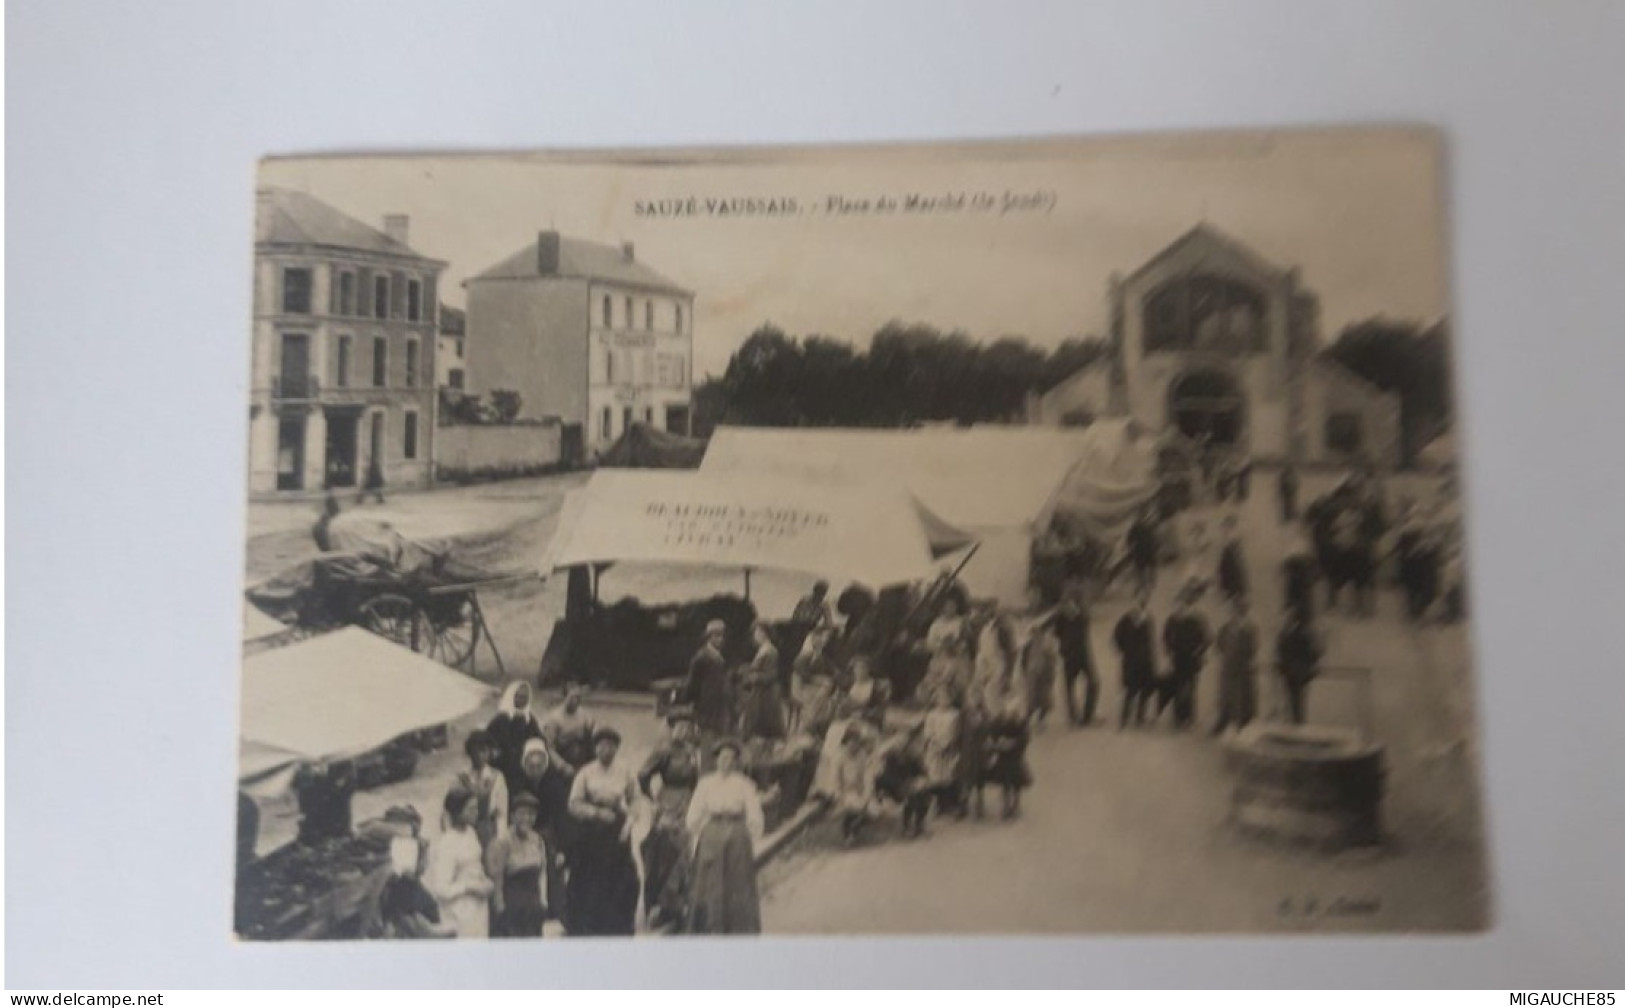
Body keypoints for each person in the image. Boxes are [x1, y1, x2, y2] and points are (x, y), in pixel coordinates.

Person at [565, 727, 642, 936]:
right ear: (595, 748)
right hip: (591, 831)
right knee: (588, 877)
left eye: (610, 746)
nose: (605, 750)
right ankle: (586, 926)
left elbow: (636, 800)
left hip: (617, 829)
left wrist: (629, 824)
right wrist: (596, 813)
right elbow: (573, 804)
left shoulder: (626, 771)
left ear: (616, 749)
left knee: (622, 878)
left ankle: (616, 925)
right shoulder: (586, 772)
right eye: (601, 746)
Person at [686, 738, 766, 934]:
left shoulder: (744, 784)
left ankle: (739, 928)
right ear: (716, 760)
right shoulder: (706, 783)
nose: (726, 762)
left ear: (736, 762)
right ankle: (708, 928)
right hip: (712, 831)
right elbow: (695, 812)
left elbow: (754, 811)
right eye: (723, 757)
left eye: (731, 758)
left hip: (737, 832)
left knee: (737, 883)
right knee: (709, 882)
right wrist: (699, 832)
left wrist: (751, 833)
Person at [637, 708, 705, 931]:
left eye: (688, 727)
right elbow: (643, 774)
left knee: (684, 853)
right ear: (672, 728)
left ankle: (676, 905)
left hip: (687, 802)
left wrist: (696, 801)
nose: (683, 731)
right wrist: (653, 800)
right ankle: (657, 904)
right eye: (679, 726)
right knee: (662, 851)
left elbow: (696, 780)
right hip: (667, 802)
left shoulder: (692, 752)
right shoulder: (663, 750)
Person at [423, 788, 495, 938]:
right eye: (470, 809)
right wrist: (469, 887)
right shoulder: (447, 843)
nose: (476, 812)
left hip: (478, 908)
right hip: (458, 911)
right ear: (457, 812)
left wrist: (485, 881)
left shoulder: (470, 833)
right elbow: (441, 889)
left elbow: (475, 868)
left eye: (476, 808)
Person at [484, 792, 550, 938]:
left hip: (533, 903)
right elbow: (496, 876)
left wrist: (543, 900)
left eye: (531, 814)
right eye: (522, 814)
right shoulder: (502, 842)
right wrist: (499, 906)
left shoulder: (537, 839)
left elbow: (542, 872)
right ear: (513, 816)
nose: (527, 819)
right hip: (512, 904)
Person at [375, 834, 451, 939]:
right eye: (425, 858)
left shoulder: (394, 885)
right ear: (416, 859)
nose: (427, 862)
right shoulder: (410, 890)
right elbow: (420, 926)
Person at [1161, 583, 1211, 730]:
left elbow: (1207, 638)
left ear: (1188, 604)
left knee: (1191, 688)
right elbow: (1165, 637)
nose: (1179, 607)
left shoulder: (1198, 619)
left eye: (1182, 604)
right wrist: (1169, 650)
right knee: (1177, 687)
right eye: (1177, 604)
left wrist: (1199, 651)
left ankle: (1189, 717)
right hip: (1178, 658)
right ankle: (1178, 718)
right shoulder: (1172, 620)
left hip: (1192, 659)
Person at [1050, 586, 1100, 727]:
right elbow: (1056, 633)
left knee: (1094, 683)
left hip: (1083, 656)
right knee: (1069, 688)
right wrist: (1062, 649)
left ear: (1075, 605)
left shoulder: (1082, 618)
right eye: (1065, 605)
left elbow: (1080, 634)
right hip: (1069, 657)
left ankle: (1086, 716)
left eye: (1070, 604)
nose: (1068, 608)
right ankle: (1073, 716)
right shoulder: (1060, 619)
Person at [453, 729, 508, 851]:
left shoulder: (496, 776)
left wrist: (500, 839)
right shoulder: (462, 776)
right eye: (475, 751)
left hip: (488, 830)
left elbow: (501, 812)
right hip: (466, 830)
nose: (479, 755)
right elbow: (451, 807)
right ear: (469, 752)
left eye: (483, 750)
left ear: (489, 752)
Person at [1212, 595, 1259, 735]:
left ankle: (1242, 725)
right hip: (1228, 666)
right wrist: (1225, 655)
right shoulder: (1226, 627)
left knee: (1243, 697)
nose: (1232, 614)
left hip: (1242, 667)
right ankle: (1224, 722)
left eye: (1235, 611)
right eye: (1231, 611)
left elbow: (1252, 648)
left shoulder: (1249, 628)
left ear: (1241, 612)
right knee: (1226, 695)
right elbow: (1219, 644)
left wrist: (1241, 657)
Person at [874, 728, 933, 839]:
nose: (903, 745)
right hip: (895, 787)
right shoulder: (890, 758)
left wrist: (921, 780)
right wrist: (908, 784)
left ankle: (919, 824)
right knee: (912, 795)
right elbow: (888, 778)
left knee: (924, 793)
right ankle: (907, 826)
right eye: (900, 742)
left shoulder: (913, 756)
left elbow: (922, 772)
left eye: (905, 742)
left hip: (910, 785)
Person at [1113, 585, 1158, 729]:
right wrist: (1124, 650)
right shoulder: (1126, 619)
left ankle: (1140, 717)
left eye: (1145, 598)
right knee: (1131, 691)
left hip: (1145, 660)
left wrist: (1152, 659)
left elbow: (1150, 641)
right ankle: (1124, 719)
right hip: (1131, 660)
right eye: (1139, 598)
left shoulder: (1149, 618)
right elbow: (1117, 636)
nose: (1142, 601)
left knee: (1145, 690)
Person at [486, 682, 544, 791]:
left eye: (525, 697)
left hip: (523, 760)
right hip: (503, 761)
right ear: (512, 696)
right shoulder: (501, 718)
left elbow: (538, 738)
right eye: (518, 696)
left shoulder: (528, 718)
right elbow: (487, 739)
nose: (521, 700)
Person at [984, 695, 1033, 820]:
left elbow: (1025, 738)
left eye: (1013, 710)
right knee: (1005, 782)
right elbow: (992, 734)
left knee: (1016, 782)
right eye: (1008, 709)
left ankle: (1016, 804)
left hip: (1015, 757)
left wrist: (1013, 743)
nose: (1010, 712)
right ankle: (1006, 806)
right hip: (1003, 757)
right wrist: (998, 743)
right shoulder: (998, 721)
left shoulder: (1020, 722)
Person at [737, 622, 787, 741]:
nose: (755, 636)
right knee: (756, 725)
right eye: (755, 632)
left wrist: (754, 677)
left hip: (767, 694)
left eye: (757, 632)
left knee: (765, 726)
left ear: (764, 634)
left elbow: (771, 675)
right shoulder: (763, 650)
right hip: (760, 691)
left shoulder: (770, 651)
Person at [1275, 609, 1325, 725]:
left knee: (1298, 702)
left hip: (1299, 674)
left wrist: (1308, 668)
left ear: (1294, 619)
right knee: (1289, 701)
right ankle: (1293, 724)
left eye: (1287, 617)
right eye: (1284, 616)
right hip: (1287, 673)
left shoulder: (1303, 634)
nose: (1285, 619)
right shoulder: (1283, 633)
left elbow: (1313, 653)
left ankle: (1298, 724)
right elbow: (1280, 651)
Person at [832, 724, 878, 846]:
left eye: (856, 742)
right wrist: (839, 796)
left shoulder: (864, 757)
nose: (853, 745)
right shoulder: (839, 758)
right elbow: (836, 780)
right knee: (849, 810)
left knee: (870, 811)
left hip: (860, 791)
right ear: (845, 743)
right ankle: (848, 834)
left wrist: (866, 796)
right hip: (845, 792)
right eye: (851, 742)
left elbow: (868, 778)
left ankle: (856, 828)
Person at [686, 620, 733, 738]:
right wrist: (694, 703)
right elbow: (693, 683)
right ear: (708, 637)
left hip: (721, 706)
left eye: (722, 636)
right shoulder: (701, 657)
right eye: (716, 636)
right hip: (707, 707)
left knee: (719, 741)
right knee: (707, 738)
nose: (720, 639)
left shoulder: (720, 657)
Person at [790, 627, 841, 734]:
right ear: (812, 638)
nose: (823, 640)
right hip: (800, 686)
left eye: (824, 638)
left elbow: (831, 668)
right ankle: (808, 723)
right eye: (819, 638)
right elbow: (803, 674)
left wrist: (835, 674)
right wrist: (820, 680)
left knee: (828, 695)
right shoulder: (805, 654)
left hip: (813, 687)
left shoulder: (820, 654)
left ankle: (817, 724)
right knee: (823, 690)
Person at [1020, 613, 1063, 730]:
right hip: (1032, 673)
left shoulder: (1049, 643)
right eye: (1033, 631)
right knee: (1031, 698)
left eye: (1037, 631)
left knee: (1045, 698)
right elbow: (1024, 659)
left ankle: (1040, 719)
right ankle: (1027, 720)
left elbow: (1053, 659)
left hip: (1044, 674)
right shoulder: (1028, 644)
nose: (1035, 633)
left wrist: (1051, 673)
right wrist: (1024, 672)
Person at [542, 684, 596, 770]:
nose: (575, 701)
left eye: (578, 698)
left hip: (582, 759)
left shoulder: (584, 715)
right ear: (564, 697)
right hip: (563, 759)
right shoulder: (554, 718)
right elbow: (548, 747)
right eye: (572, 698)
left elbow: (590, 742)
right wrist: (562, 766)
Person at [1281, 529, 1319, 622]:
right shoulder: (1303, 545)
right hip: (1299, 577)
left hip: (1300, 577)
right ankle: (1300, 616)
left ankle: (1300, 616)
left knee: (1300, 597)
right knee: (1300, 597)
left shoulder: (1301, 546)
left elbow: (1286, 563)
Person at [1127, 505, 1162, 595]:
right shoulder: (1138, 527)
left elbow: (1155, 538)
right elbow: (1130, 540)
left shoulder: (1144, 526)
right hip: (1141, 550)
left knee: (1147, 568)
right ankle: (1145, 585)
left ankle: (1148, 584)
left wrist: (1156, 546)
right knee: (1143, 569)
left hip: (1146, 550)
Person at [1216, 514, 1248, 603]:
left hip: (1231, 559)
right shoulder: (1228, 539)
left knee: (1234, 574)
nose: (1225, 530)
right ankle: (1234, 594)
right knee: (1228, 573)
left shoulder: (1234, 539)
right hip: (1229, 559)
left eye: (1228, 526)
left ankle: (1236, 594)